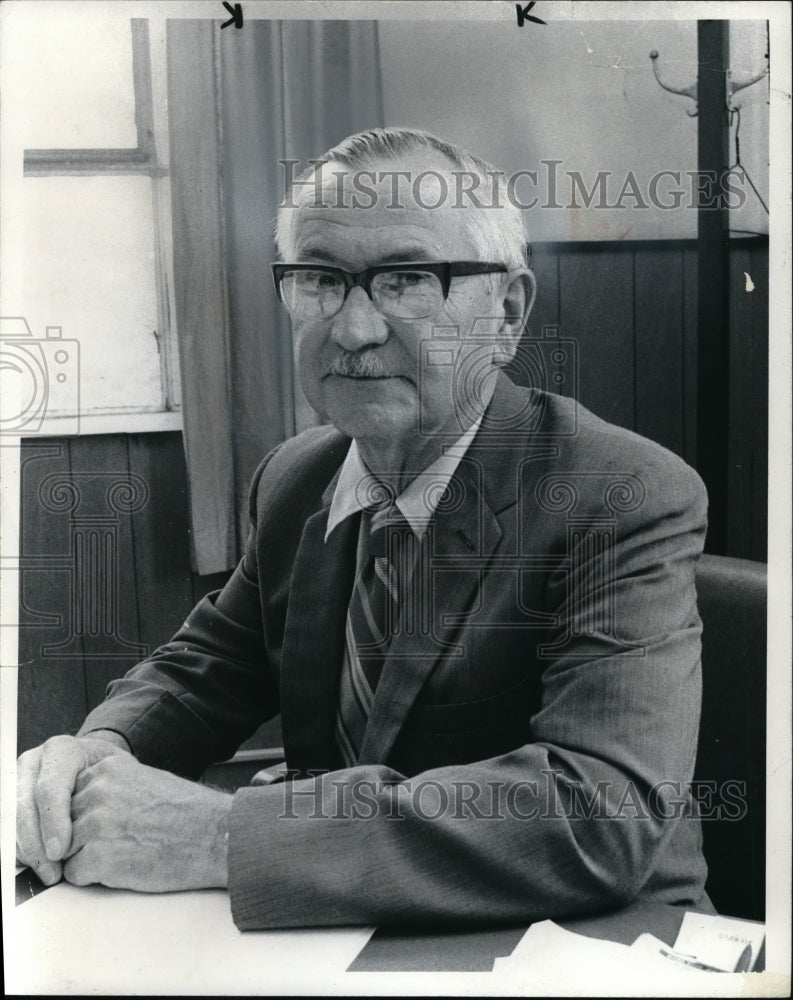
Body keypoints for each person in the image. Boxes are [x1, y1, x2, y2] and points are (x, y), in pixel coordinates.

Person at [17, 128, 711, 930]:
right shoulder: (296, 476)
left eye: (406, 280)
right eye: (318, 280)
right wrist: (98, 752)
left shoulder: (619, 492)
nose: (351, 331)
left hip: (580, 939)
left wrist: (221, 834)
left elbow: (602, 813)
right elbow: (207, 666)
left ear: (508, 312)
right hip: (343, 932)